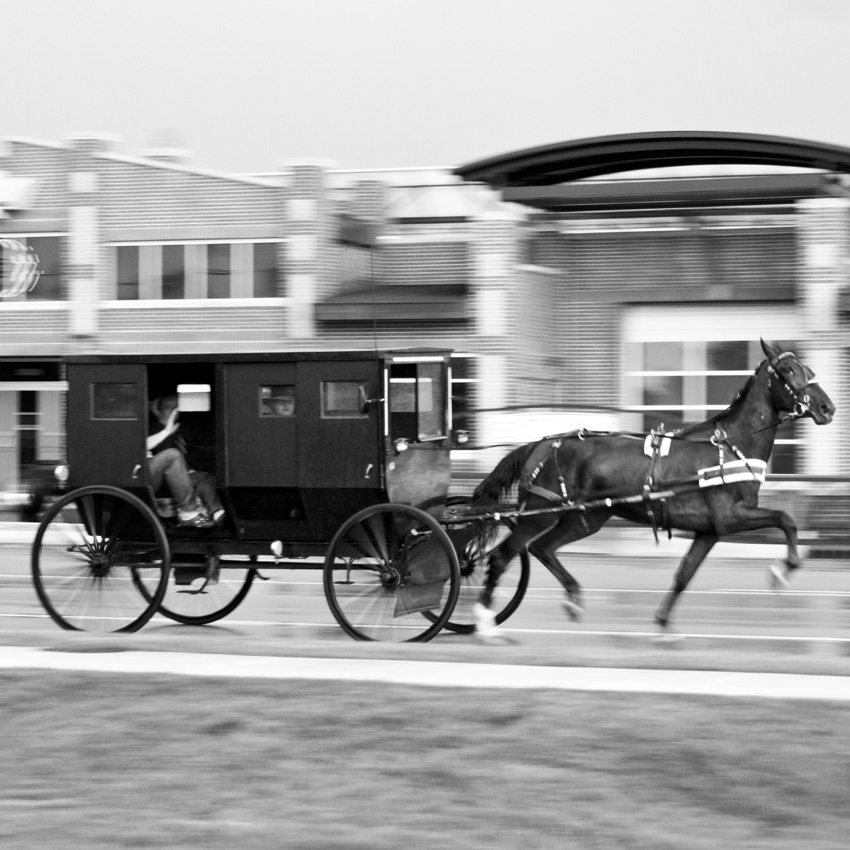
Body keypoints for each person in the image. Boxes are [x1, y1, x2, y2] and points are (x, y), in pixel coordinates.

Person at [146, 394, 225, 528]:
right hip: (147, 474)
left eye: (176, 408)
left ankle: (215, 512)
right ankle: (188, 512)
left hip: (172, 475)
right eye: (167, 407)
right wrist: (165, 429)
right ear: (158, 410)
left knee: (205, 477)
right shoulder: (151, 427)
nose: (172, 411)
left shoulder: (177, 429)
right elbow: (142, 447)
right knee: (172, 455)